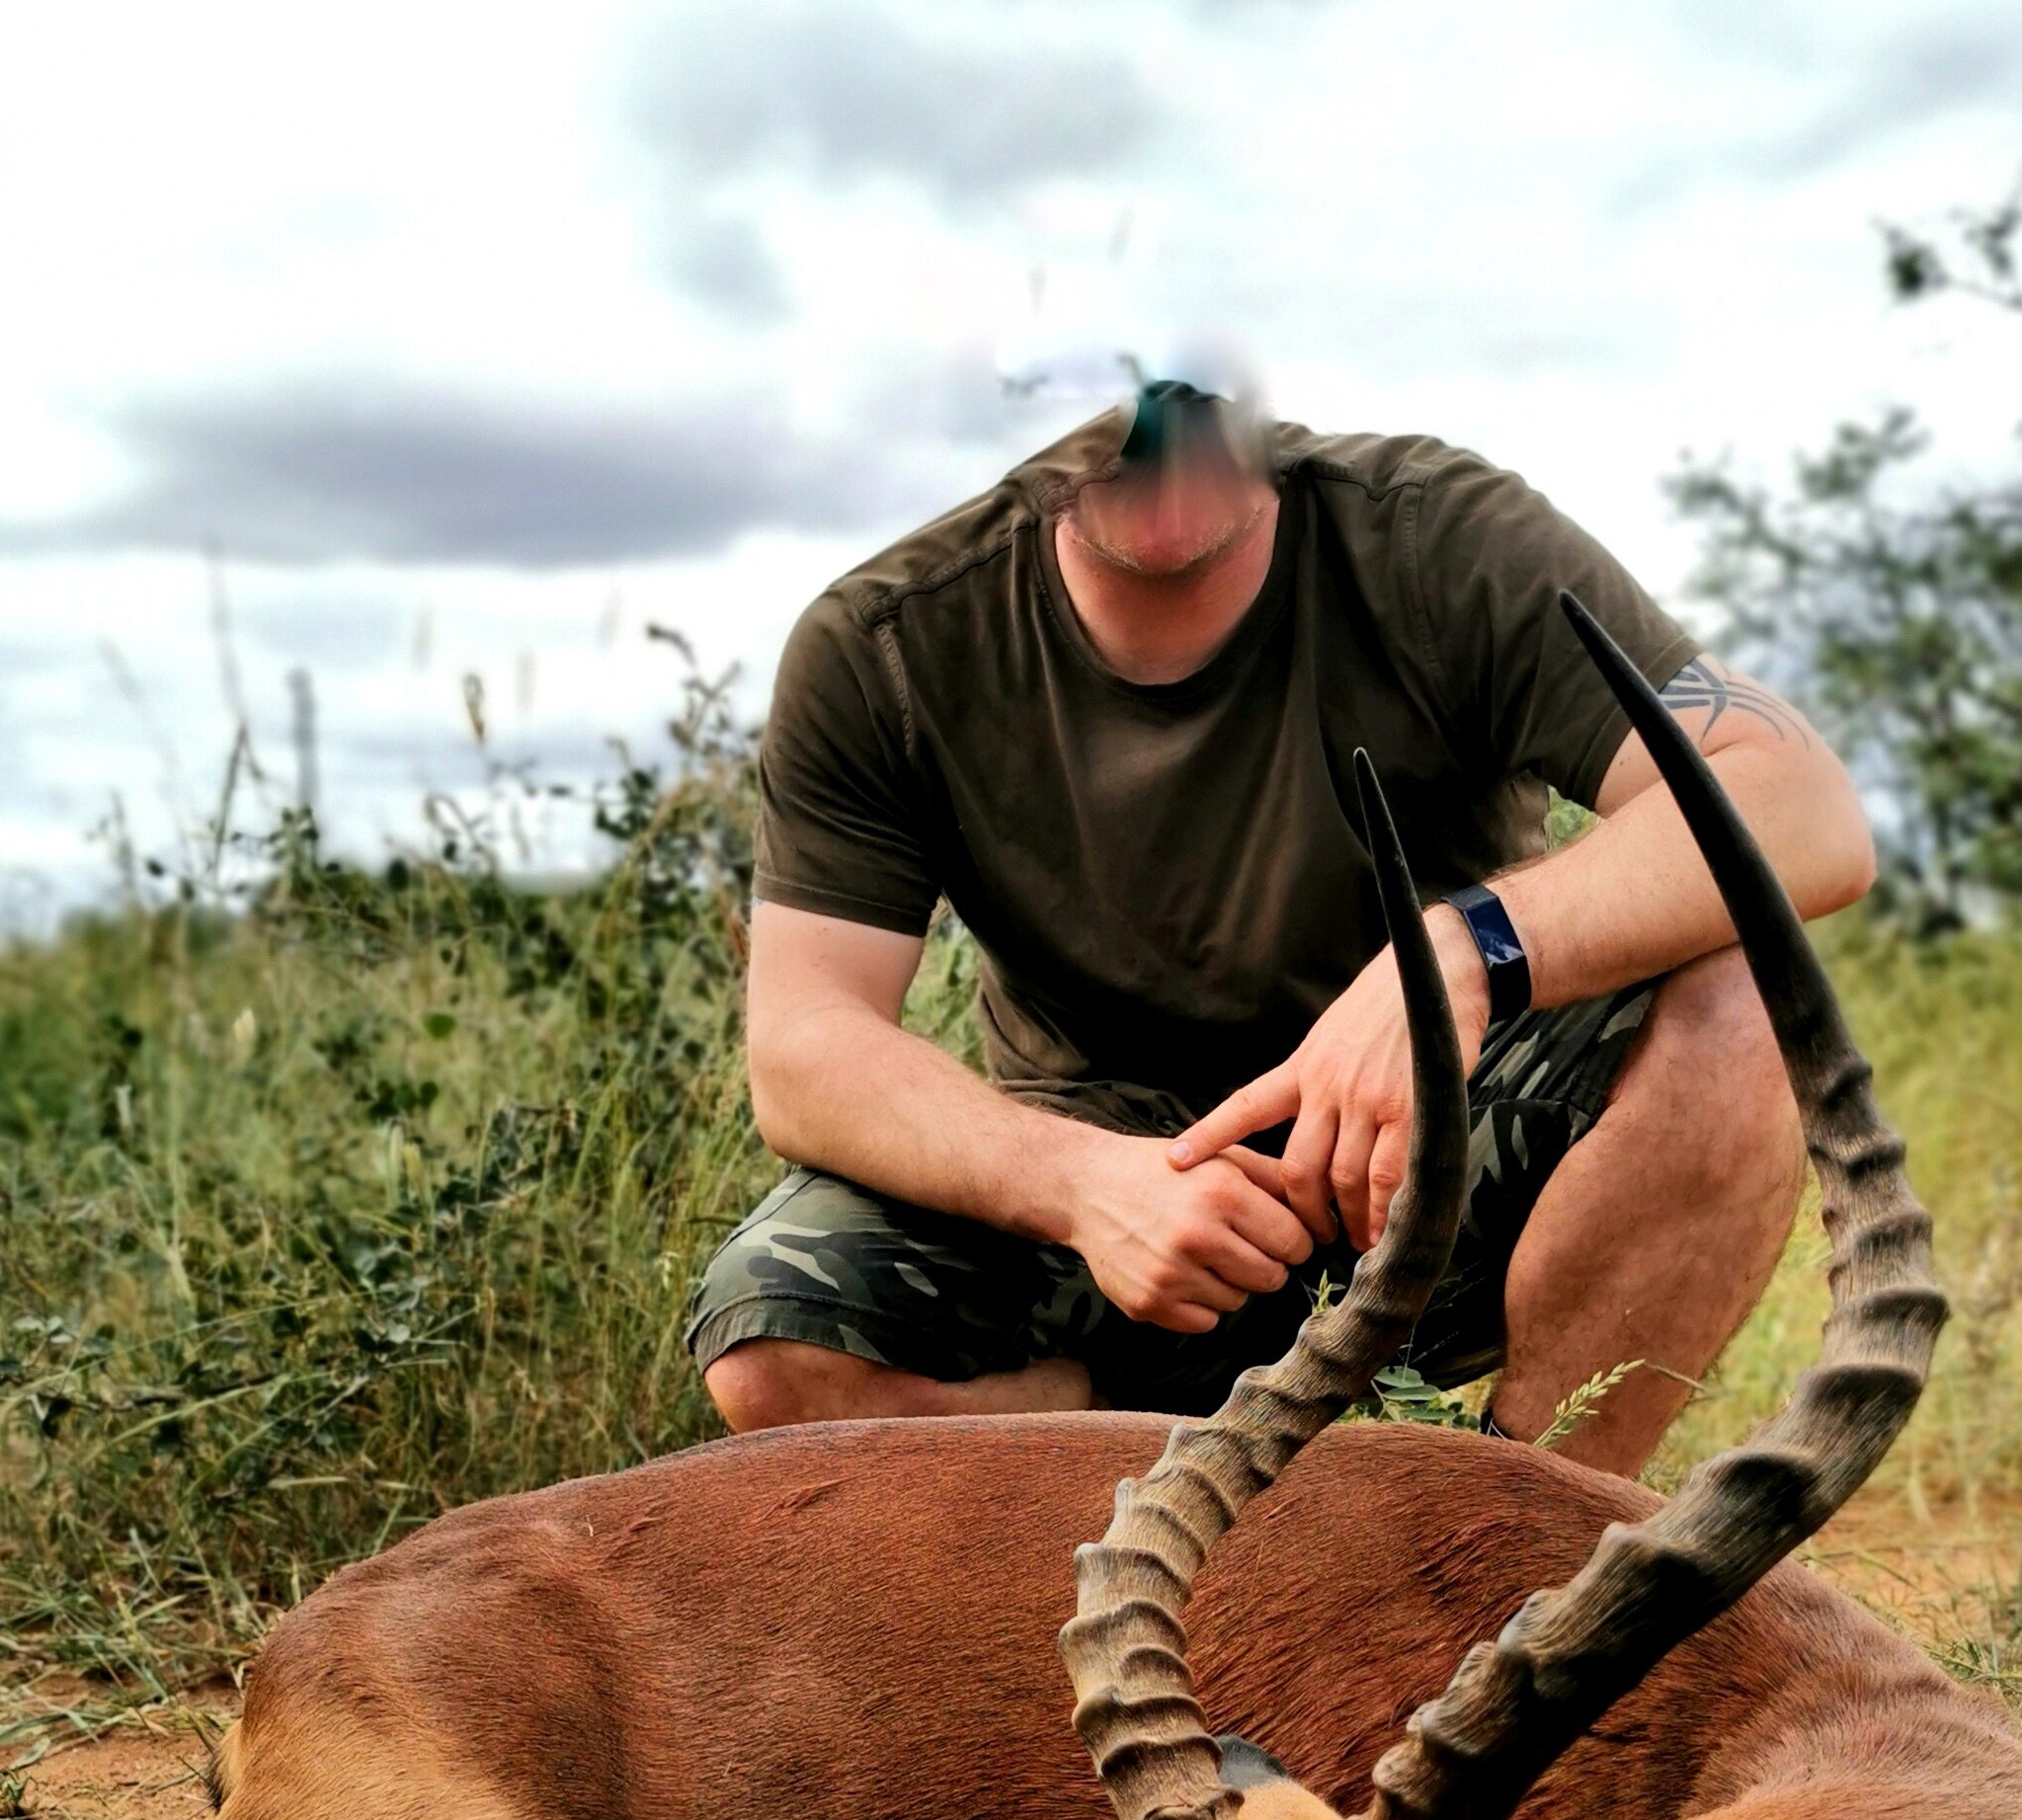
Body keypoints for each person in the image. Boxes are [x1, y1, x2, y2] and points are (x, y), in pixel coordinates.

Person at [688, 379, 1876, 1471]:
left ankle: (1525, 1545)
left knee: (1744, 993)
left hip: (1431, 1144)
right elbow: (805, 1048)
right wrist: (1088, 1187)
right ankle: (1185, 1512)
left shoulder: (1435, 535)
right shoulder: (882, 639)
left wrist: (1454, 962)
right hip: (1111, 1209)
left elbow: (1803, 806)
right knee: (779, 1344)